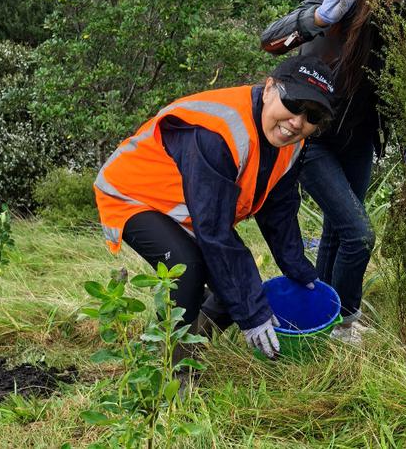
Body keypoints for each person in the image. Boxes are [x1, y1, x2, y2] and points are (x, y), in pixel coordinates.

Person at [260, 0, 406, 343]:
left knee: (337, 235)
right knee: (359, 234)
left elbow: (400, 95)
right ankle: (345, 321)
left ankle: (318, 315)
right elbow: (270, 39)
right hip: (309, 131)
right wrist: (321, 17)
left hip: (360, 139)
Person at [93, 57, 336, 361]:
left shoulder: (291, 143)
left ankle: (190, 342)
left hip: (189, 207)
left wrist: (298, 269)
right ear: (270, 88)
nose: (298, 121)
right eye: (294, 102)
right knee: (188, 267)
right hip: (132, 194)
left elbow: (280, 210)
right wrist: (251, 314)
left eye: (313, 116)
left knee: (234, 288)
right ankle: (171, 369)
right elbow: (213, 230)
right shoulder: (219, 132)